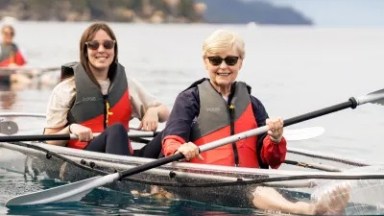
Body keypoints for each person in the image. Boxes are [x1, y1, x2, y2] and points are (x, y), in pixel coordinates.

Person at [161, 29, 350, 215]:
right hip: (204, 183)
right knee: (259, 193)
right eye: (215, 60)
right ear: (205, 62)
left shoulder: (253, 104)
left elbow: (272, 160)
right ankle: (307, 210)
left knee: (261, 193)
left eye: (231, 60)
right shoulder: (190, 99)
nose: (223, 66)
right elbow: (171, 140)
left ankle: (327, 211)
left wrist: (275, 139)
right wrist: (181, 148)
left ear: (241, 62)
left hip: (248, 183)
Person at [44, 22, 169, 158]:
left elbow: (165, 113)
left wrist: (153, 111)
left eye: (107, 45)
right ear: (84, 50)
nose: (101, 50)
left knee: (174, 130)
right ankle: (127, 173)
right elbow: (49, 142)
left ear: (114, 49)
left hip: (126, 159)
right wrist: (70, 129)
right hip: (82, 160)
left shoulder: (127, 84)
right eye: (93, 45)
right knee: (116, 130)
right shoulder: (66, 89)